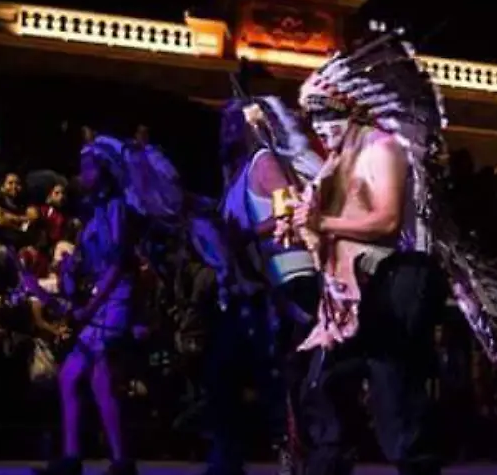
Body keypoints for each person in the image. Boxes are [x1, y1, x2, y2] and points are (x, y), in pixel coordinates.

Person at [285, 33, 497, 475]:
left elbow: (385, 221)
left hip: (400, 276)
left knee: (393, 385)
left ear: (352, 109)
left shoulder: (382, 147)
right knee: (327, 382)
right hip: (354, 287)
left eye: (327, 113)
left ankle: (414, 464)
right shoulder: (336, 161)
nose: (319, 125)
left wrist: (321, 222)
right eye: (312, 116)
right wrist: (301, 228)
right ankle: (328, 463)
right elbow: (333, 232)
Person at [26, 135, 178, 475]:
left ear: (105, 170)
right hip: (102, 300)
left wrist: (90, 307)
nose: (82, 174)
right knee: (76, 378)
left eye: (88, 167)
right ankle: (86, 458)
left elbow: (118, 264)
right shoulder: (94, 212)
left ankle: (112, 460)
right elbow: (90, 263)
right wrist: (70, 270)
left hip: (115, 300)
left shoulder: (116, 208)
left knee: (96, 380)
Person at [203, 94, 324, 475]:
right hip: (255, 287)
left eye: (233, 121)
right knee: (228, 371)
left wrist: (242, 235)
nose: (225, 129)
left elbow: (289, 210)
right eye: (223, 122)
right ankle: (235, 455)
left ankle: (293, 453)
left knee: (279, 376)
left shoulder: (264, 162)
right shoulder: (237, 173)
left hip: (288, 281)